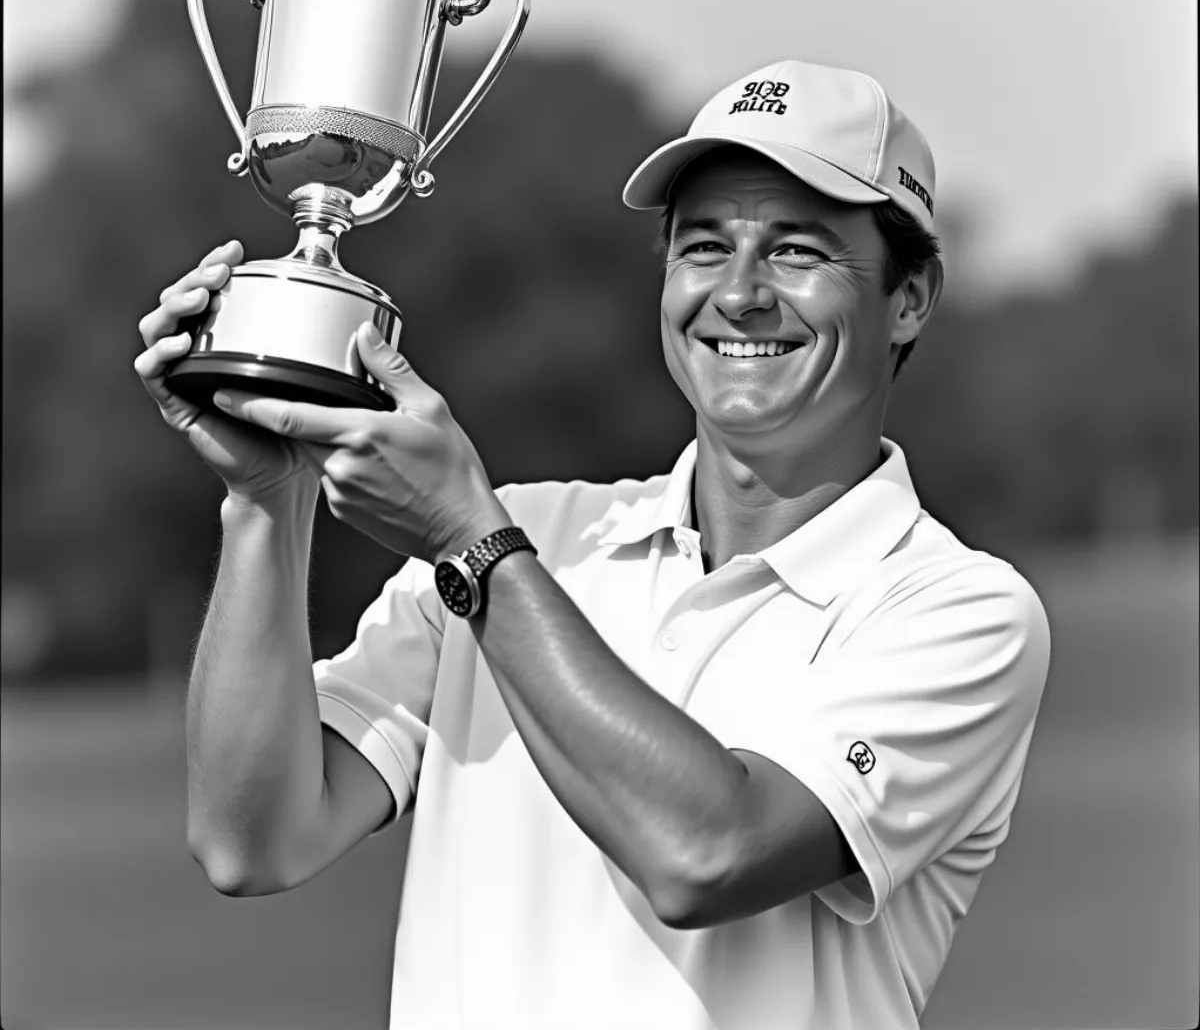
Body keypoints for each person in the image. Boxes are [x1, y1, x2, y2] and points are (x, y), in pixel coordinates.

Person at [135, 59, 1050, 1030]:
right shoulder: (525, 536)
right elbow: (253, 840)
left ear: (910, 297)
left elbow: (708, 855)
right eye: (702, 247)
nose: (738, 294)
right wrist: (267, 503)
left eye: (797, 251)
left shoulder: (962, 610)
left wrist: (469, 543)